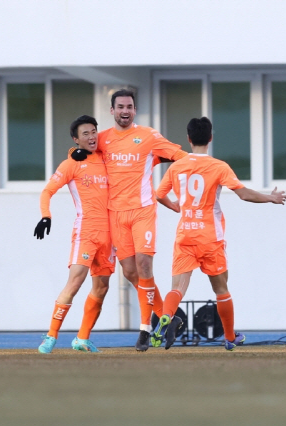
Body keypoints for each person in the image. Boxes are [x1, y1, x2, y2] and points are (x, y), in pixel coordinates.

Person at [152, 117, 286, 350]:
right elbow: (244, 194)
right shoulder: (218, 166)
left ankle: (167, 316)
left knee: (177, 288)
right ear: (211, 138)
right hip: (210, 238)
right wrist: (270, 198)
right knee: (221, 289)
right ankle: (229, 337)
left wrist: (175, 206)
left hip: (185, 235)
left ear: (188, 139)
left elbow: (158, 194)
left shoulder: (176, 167)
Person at [71, 89, 188, 351]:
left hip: (142, 210)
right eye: (121, 107)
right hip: (116, 214)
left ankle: (145, 329)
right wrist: (73, 153)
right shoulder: (103, 139)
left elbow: (179, 157)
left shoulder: (148, 136)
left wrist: (174, 189)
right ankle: (168, 318)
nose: (125, 111)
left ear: (135, 110)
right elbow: (83, 147)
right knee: (130, 272)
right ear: (112, 111)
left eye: (130, 107)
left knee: (144, 265)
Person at [35, 115, 115, 354]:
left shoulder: (107, 158)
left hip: (110, 235)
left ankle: (82, 338)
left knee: (102, 287)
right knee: (75, 282)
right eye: (85, 134)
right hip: (87, 231)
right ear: (75, 139)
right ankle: (51, 335)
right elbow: (47, 191)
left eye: (94, 132)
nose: (92, 137)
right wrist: (46, 216)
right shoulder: (71, 164)